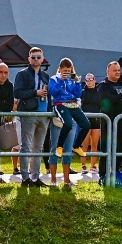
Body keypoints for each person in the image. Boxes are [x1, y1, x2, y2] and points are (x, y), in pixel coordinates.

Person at [11, 47, 51, 186]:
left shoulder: (45, 76)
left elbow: (49, 95)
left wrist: (50, 113)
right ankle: (25, 178)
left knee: (38, 148)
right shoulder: (22, 74)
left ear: (42, 59)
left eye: (38, 57)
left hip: (44, 114)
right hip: (28, 114)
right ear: (29, 59)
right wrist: (35, 93)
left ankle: (35, 178)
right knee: (26, 147)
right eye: (33, 57)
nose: (36, 59)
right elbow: (17, 93)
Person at [48, 58, 88, 187]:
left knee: (68, 148)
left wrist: (77, 82)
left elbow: (78, 94)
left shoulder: (72, 79)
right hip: (59, 116)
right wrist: (61, 80)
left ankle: (66, 179)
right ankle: (53, 179)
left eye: (68, 71)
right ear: (59, 69)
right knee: (55, 147)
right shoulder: (54, 79)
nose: (66, 73)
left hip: (72, 110)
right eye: (64, 70)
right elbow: (53, 92)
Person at [80, 72, 104, 178]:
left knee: (94, 144)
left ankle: (93, 166)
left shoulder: (99, 92)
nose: (89, 81)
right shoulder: (82, 92)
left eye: (91, 79)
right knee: (84, 144)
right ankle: (83, 166)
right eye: (87, 80)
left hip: (96, 120)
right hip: (85, 120)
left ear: (95, 80)